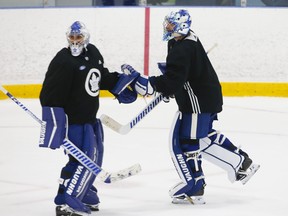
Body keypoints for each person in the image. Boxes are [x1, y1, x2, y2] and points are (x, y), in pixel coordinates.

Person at [123, 9, 260, 204]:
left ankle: (199, 184)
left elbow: (174, 79)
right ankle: (239, 164)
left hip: (199, 101)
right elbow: (180, 75)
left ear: (181, 26)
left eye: (171, 24)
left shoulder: (182, 48)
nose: (166, 27)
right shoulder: (179, 41)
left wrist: (153, 85)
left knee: (189, 140)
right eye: (167, 23)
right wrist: (171, 85)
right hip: (204, 96)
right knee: (202, 136)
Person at [39, 21, 138, 216]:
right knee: (83, 160)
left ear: (86, 37)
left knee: (95, 157)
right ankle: (68, 201)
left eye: (79, 37)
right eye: (72, 38)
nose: (75, 41)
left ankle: (85, 192)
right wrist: (54, 123)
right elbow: (49, 95)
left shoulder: (93, 52)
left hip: (91, 119)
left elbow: (99, 76)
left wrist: (118, 86)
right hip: (74, 121)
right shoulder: (63, 61)